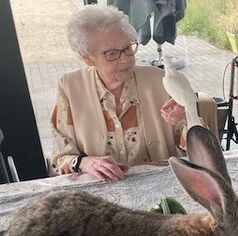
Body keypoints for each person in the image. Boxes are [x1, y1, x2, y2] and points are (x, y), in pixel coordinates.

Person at [50, 5, 217, 181]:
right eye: (112, 54)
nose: (126, 59)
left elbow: (206, 151)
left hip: (163, 188)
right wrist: (86, 163)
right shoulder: (70, 87)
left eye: (128, 48)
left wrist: (188, 118)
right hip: (103, 194)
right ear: (87, 58)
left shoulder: (161, 81)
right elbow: (60, 158)